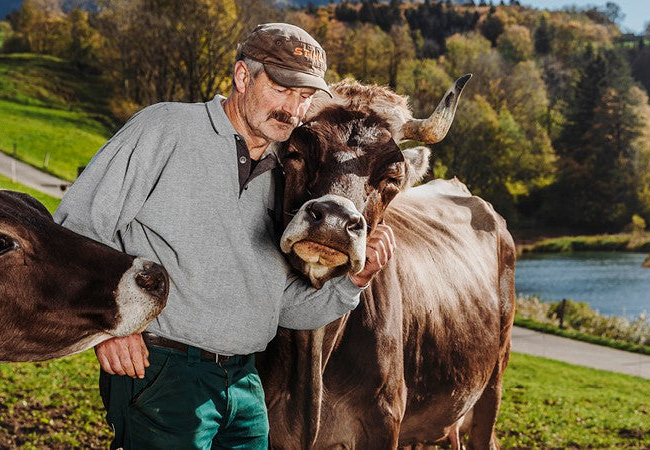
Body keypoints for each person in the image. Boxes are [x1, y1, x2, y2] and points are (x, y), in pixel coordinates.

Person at [54, 23, 395, 449]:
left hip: (246, 385)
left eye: (305, 96)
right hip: (162, 370)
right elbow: (76, 228)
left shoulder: (288, 171)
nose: (292, 109)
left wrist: (353, 283)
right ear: (242, 76)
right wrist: (110, 326)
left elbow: (282, 306)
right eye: (281, 89)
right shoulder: (166, 128)